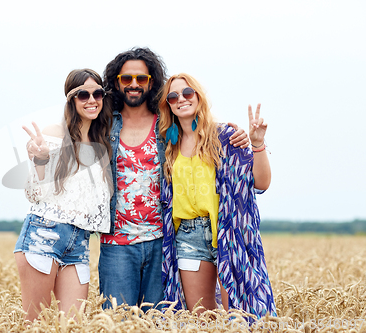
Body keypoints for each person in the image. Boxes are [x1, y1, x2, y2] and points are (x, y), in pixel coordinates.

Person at [98, 47, 249, 310]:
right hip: (117, 244)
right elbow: (73, 134)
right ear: (116, 82)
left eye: (141, 79)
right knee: (116, 323)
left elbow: (201, 131)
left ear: (152, 82)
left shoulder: (167, 126)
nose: (134, 84)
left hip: (163, 242)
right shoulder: (104, 126)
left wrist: (242, 137)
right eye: (126, 79)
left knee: (161, 323)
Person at [158, 73, 277, 318]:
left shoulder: (224, 137)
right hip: (188, 238)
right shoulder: (168, 146)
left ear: (198, 97)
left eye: (187, 93)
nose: (181, 99)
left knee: (240, 315)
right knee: (201, 318)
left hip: (228, 233)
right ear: (168, 105)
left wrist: (257, 144)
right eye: (173, 96)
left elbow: (261, 182)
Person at [14, 69, 113, 321]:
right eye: (83, 94)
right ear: (71, 99)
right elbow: (34, 193)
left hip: (80, 242)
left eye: (97, 93)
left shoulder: (103, 140)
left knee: (72, 324)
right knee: (34, 323)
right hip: (44, 234)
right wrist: (40, 160)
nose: (92, 100)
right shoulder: (55, 133)